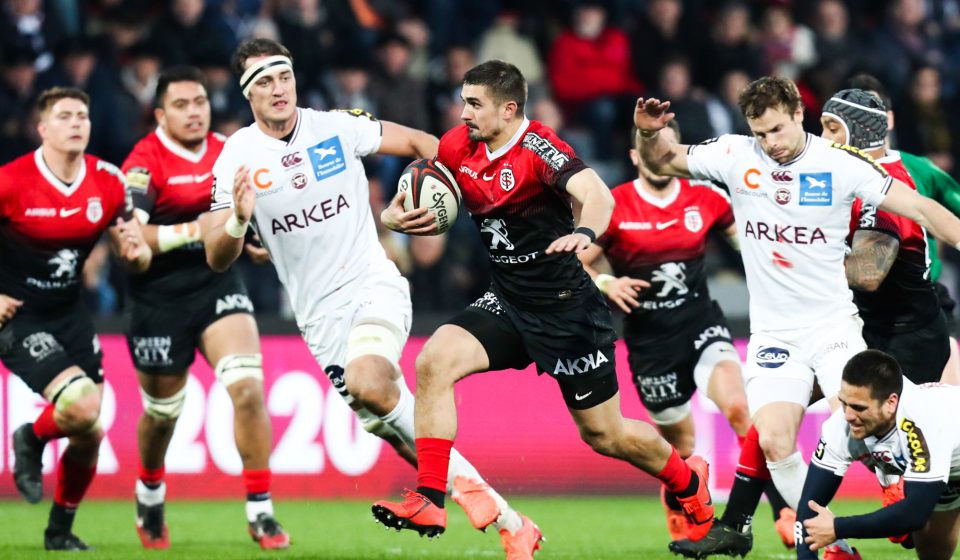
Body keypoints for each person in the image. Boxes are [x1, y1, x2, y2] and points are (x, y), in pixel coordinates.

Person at [204, 39, 539, 558]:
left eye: (284, 75)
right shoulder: (236, 157)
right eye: (263, 81)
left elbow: (423, 142)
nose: (278, 89)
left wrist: (446, 192)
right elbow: (216, 256)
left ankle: (449, 497)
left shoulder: (337, 126)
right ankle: (512, 523)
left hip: (371, 284)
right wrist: (238, 219)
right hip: (318, 322)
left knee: (371, 382)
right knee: (396, 427)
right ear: (246, 93)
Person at [371, 59, 715, 550]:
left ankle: (687, 481)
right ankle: (430, 497)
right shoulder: (457, 144)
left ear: (509, 109)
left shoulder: (539, 148)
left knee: (604, 435)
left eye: (474, 104)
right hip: (509, 301)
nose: (462, 112)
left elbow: (597, 194)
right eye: (462, 100)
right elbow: (421, 177)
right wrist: (393, 213)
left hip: (567, 309)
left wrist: (583, 232)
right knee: (433, 362)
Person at [635, 76, 960, 559]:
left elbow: (923, 210)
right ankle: (837, 546)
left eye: (778, 130)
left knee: (859, 422)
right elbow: (665, 157)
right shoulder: (734, 154)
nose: (771, 143)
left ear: (798, 114)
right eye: (760, 133)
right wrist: (647, 132)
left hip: (833, 326)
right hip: (774, 334)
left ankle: (899, 494)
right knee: (772, 440)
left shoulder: (840, 165)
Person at [577, 120, 794, 545]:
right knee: (682, 449)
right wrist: (608, 283)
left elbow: (751, 246)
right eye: (650, 148)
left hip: (701, 324)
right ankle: (677, 495)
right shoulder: (615, 205)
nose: (659, 155)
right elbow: (581, 261)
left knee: (740, 409)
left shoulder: (707, 198)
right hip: (649, 341)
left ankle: (784, 511)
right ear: (635, 156)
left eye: (667, 146)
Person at [120, 65, 288, 550]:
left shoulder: (230, 149)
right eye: (180, 105)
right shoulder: (143, 161)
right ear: (159, 113)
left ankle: (261, 511)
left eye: (200, 102)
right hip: (157, 297)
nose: (193, 113)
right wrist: (205, 228)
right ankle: (149, 490)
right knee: (163, 414)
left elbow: (255, 210)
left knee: (249, 390)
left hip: (217, 283)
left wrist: (254, 238)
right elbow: (134, 235)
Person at [2, 86, 150, 550]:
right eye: (64, 116)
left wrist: (135, 252)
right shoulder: (10, 181)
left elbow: (136, 252)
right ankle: (30, 436)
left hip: (70, 313)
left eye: (82, 115)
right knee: (84, 406)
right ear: (42, 129)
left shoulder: (107, 182)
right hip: (19, 315)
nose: (76, 123)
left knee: (89, 430)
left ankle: (59, 532)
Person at [820, 89, 950, 385]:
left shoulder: (882, 188)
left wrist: (804, 255)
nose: (823, 138)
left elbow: (866, 274)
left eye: (832, 128)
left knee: (893, 426)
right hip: (877, 324)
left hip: (906, 338)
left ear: (860, 132)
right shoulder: (858, 176)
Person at [797, 349, 960, 560]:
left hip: (942, 448)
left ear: (891, 403)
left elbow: (914, 514)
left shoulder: (921, 421)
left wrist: (838, 527)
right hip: (951, 471)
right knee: (932, 554)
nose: (848, 415)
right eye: (844, 403)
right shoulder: (840, 426)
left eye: (858, 407)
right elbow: (809, 506)